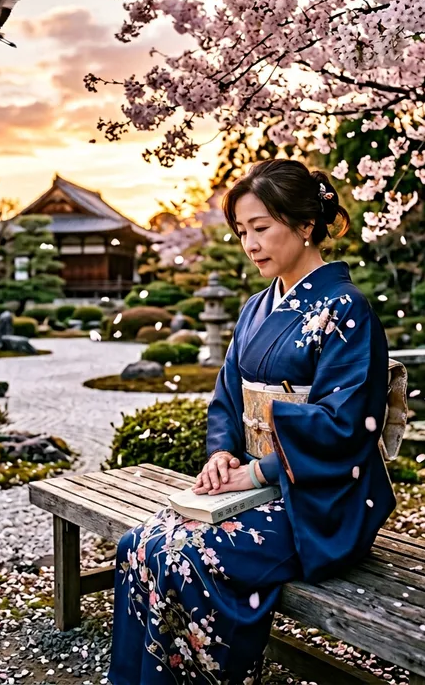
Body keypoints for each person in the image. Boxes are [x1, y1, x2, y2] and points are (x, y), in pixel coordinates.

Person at [108, 159, 396, 684]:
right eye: (243, 231)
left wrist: (261, 472)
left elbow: (346, 423)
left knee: (184, 557)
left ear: (306, 226)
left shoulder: (346, 308)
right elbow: (227, 396)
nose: (250, 243)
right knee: (139, 544)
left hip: (322, 496)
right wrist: (222, 454)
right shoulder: (253, 308)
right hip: (258, 480)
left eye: (261, 227)